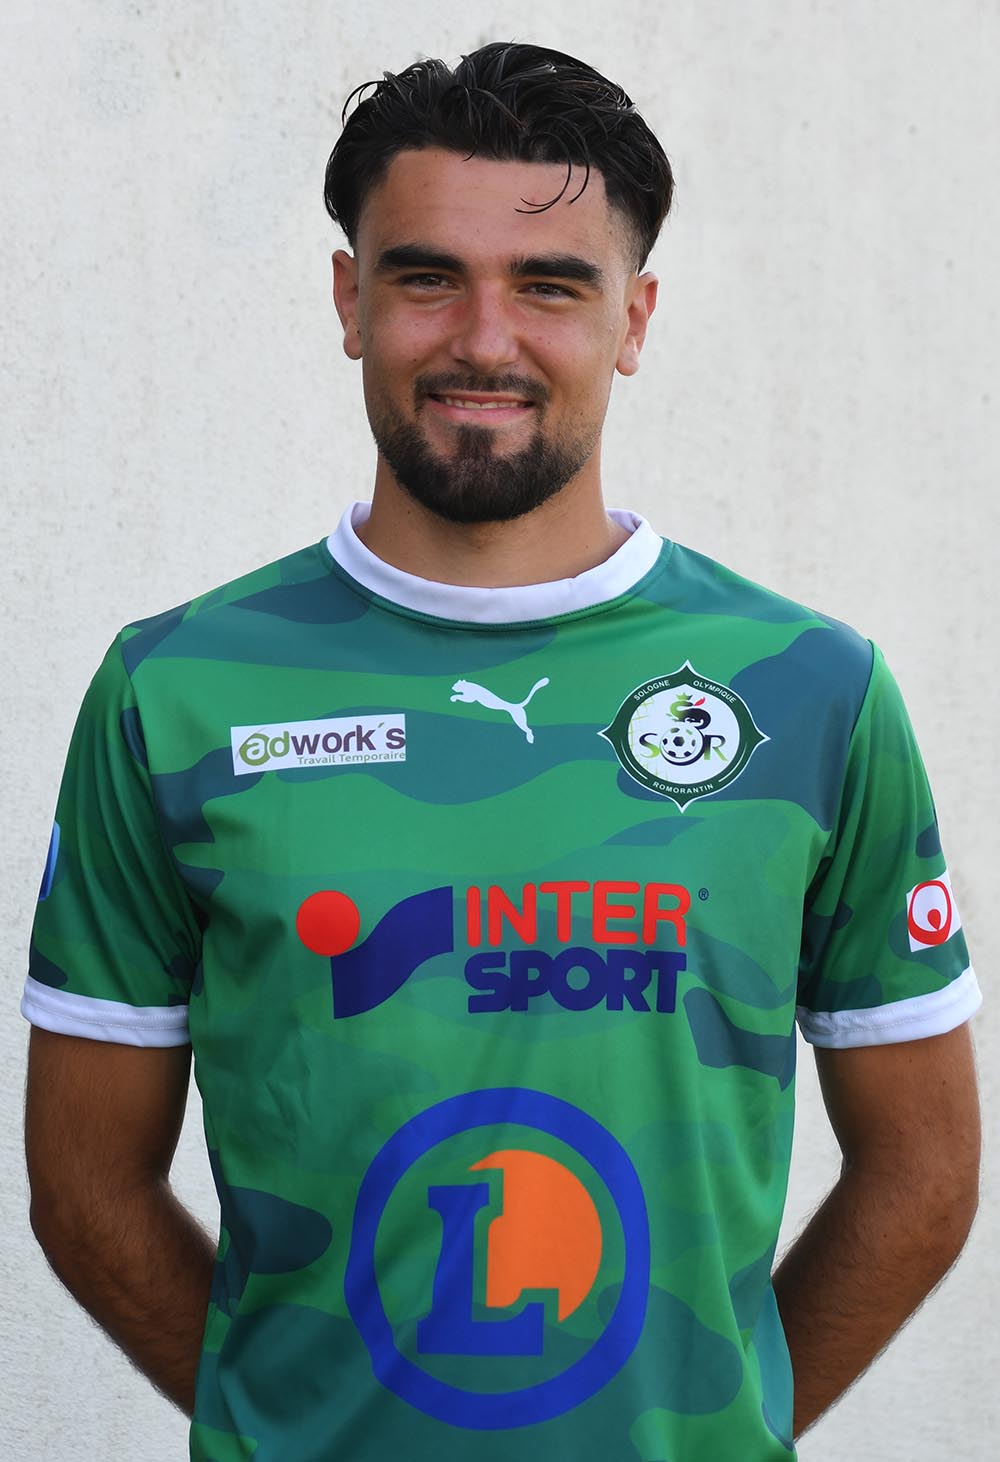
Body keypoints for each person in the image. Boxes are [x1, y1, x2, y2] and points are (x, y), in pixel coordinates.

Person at [23, 40, 981, 1462]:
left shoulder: (814, 693)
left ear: (633, 319)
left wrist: (724, 1430)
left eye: (550, 285)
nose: (485, 340)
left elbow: (927, 1173)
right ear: (349, 300)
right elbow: (84, 1184)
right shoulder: (174, 692)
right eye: (427, 278)